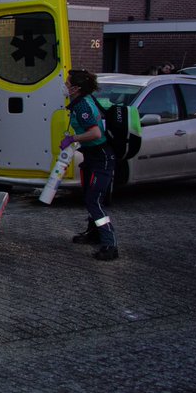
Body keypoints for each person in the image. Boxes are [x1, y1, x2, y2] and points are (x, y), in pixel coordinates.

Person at [62, 68, 118, 261]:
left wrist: (73, 138)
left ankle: (110, 244)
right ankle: (93, 234)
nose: (65, 87)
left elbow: (95, 133)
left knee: (94, 201)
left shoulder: (82, 106)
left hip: (101, 158)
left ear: (76, 88)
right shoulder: (83, 101)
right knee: (89, 197)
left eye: (67, 84)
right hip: (93, 157)